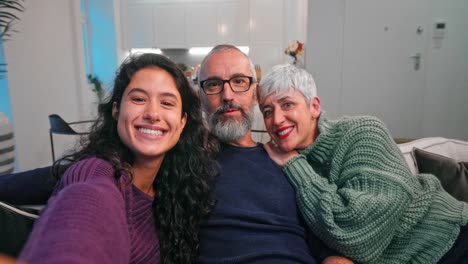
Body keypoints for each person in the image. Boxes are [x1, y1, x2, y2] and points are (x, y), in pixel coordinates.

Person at [1, 45, 350, 264]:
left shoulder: (290, 161)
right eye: (213, 84)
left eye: (239, 82)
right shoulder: (172, 160)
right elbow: (79, 189)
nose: (227, 95)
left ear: (254, 92)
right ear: (198, 98)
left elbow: (326, 235)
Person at [2, 53, 218, 264]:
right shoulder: (96, 173)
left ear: (182, 122)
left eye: (167, 103)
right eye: (139, 99)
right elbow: (84, 220)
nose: (153, 113)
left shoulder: (176, 182)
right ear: (116, 110)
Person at [257, 63, 468, 263]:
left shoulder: (363, 133)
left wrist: (295, 164)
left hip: (450, 241)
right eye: (267, 111)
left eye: (287, 104)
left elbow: (358, 233)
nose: (276, 120)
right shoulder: (279, 164)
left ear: (314, 107)